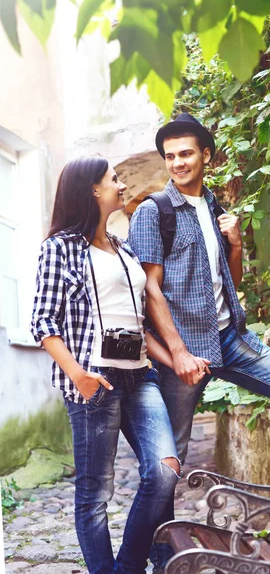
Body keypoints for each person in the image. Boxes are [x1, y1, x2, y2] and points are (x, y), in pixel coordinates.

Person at [128, 113, 270, 488]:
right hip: (182, 353)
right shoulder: (154, 212)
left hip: (230, 339)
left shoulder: (216, 211)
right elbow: (149, 290)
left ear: (206, 155)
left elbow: (229, 284)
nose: (177, 163)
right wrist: (178, 352)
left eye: (185, 154)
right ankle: (162, 548)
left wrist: (235, 246)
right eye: (170, 157)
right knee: (167, 465)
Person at [30, 155, 181, 574]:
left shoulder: (122, 246)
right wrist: (78, 375)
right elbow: (42, 322)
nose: (120, 184)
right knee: (95, 493)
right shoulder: (59, 248)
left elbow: (140, 321)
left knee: (164, 469)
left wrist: (175, 359)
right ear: (93, 190)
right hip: (95, 379)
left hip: (140, 375)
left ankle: (127, 567)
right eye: (113, 179)